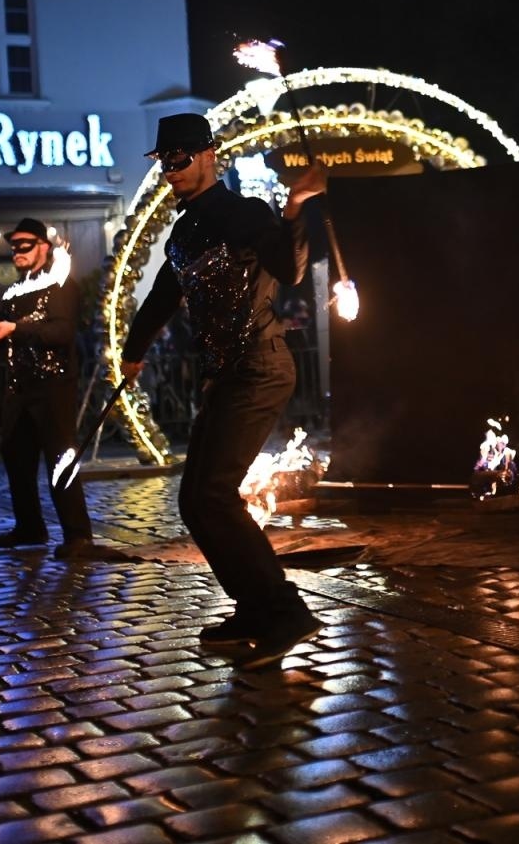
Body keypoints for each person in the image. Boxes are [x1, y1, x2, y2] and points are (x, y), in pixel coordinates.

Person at [121, 112, 327, 668]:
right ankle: (254, 608)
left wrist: (295, 206)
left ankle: (285, 612)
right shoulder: (185, 231)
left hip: (260, 365)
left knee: (212, 494)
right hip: (226, 374)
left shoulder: (242, 213)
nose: (171, 170)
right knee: (195, 500)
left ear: (210, 155)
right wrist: (133, 352)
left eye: (180, 159)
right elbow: (163, 297)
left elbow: (288, 268)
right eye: (165, 161)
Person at [0, 218, 114, 561]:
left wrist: (15, 328)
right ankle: (29, 526)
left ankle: (78, 534)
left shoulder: (60, 284)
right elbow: (6, 341)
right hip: (20, 385)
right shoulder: (13, 293)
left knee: (59, 459)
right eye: (14, 246)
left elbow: (62, 333)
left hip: (53, 385)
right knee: (15, 455)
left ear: (43, 247)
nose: (17, 252)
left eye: (25, 245)